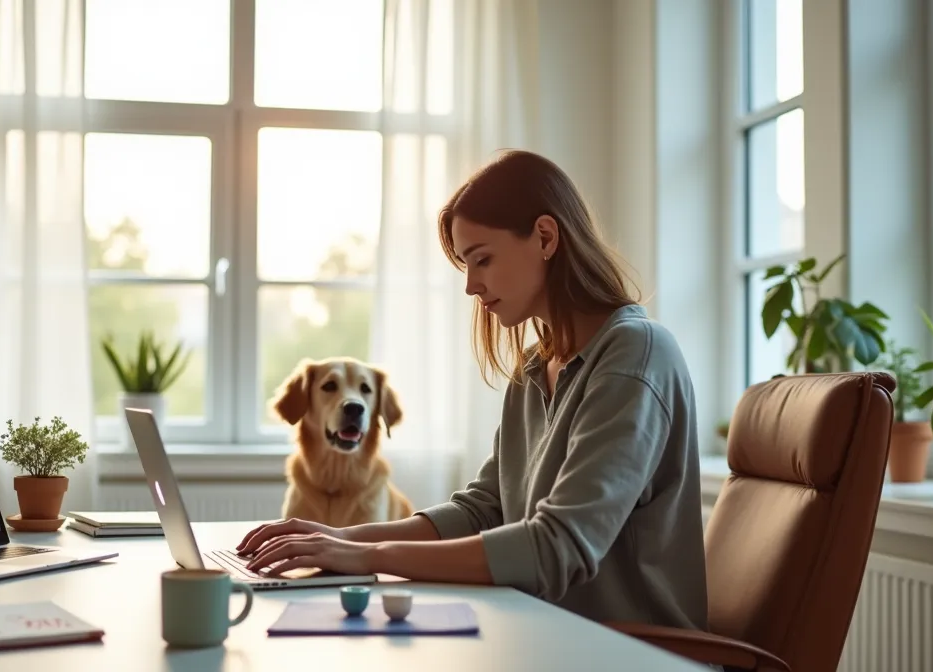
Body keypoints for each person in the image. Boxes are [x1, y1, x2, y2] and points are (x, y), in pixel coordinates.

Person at [237, 149, 708, 631]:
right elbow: (483, 510)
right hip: (545, 634)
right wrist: (339, 539)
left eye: (482, 259)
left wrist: (365, 555)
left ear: (545, 237)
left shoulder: (635, 356)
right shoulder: (534, 370)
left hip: (630, 652)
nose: (471, 287)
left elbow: (556, 547)